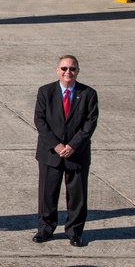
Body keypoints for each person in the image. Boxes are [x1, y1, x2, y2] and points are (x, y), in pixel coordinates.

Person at [34, 55, 99, 247]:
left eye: (72, 69)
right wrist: (56, 145)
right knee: (47, 194)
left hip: (77, 154)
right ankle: (45, 229)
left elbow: (90, 123)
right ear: (57, 70)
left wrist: (72, 146)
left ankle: (75, 231)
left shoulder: (88, 94)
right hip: (50, 153)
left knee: (77, 195)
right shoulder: (46, 92)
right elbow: (40, 120)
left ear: (78, 71)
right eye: (64, 68)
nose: (68, 72)